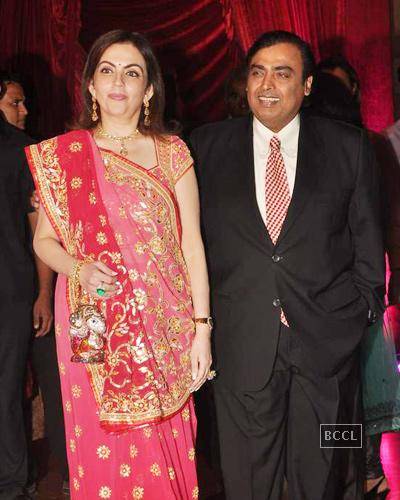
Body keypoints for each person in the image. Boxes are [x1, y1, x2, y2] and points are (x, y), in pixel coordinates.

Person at [190, 30, 385, 500]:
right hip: (241, 343)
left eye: (282, 73)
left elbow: (368, 245)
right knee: (246, 482)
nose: (267, 85)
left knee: (322, 474)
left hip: (326, 345)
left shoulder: (351, 147)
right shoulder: (205, 147)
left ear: (307, 85)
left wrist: (358, 316)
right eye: (258, 72)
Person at [25, 30, 212, 499]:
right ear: (90, 84)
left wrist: (202, 329)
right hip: (92, 320)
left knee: (165, 442)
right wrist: (78, 268)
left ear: (148, 90)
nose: (118, 82)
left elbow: (192, 247)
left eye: (132, 73)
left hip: (166, 323)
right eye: (107, 70)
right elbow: (43, 241)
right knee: (101, 440)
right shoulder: (65, 155)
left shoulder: (173, 152)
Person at [313, 58, 400, 500]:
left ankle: (357, 470)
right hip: (350, 292)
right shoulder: (362, 146)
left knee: (351, 395)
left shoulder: (365, 148)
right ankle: (357, 470)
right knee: (350, 396)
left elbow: (385, 221)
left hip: (351, 293)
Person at [0, 100, 36, 499]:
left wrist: (43, 292)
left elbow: (38, 226)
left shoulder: (19, 149)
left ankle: (10, 486)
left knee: (5, 392)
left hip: (8, 291)